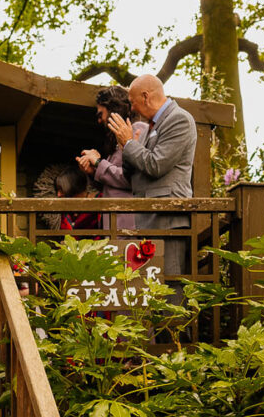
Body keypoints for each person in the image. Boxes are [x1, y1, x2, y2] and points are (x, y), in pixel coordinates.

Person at [108, 74, 197, 274]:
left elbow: (156, 165)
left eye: (132, 102)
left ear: (146, 96)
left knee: (171, 287)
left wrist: (130, 144)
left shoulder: (179, 119)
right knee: (153, 291)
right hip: (149, 219)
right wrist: (126, 147)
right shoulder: (150, 128)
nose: (131, 108)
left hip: (168, 219)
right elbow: (133, 173)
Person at [78, 84, 146, 229]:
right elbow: (114, 183)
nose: (99, 120)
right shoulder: (115, 141)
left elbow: (133, 180)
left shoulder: (138, 130)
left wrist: (98, 162)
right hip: (114, 223)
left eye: (100, 114)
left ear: (114, 110)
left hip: (129, 225)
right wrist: (92, 171)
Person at [53, 164, 101, 231]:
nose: (58, 194)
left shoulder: (99, 200)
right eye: (57, 190)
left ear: (73, 187)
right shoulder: (66, 207)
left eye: (61, 190)